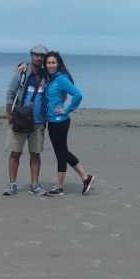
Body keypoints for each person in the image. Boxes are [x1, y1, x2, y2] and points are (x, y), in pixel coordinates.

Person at [42, 51, 95, 197]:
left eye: (53, 62)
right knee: (62, 152)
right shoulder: (51, 78)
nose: (50, 65)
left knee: (61, 153)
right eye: (48, 63)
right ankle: (85, 178)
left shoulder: (61, 79)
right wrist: (22, 65)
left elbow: (78, 95)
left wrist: (67, 110)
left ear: (58, 64)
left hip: (59, 122)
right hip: (52, 121)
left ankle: (60, 187)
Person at [3, 44, 49, 196]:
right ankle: (12, 185)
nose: (39, 58)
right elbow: (11, 93)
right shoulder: (22, 73)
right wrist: (9, 114)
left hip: (38, 123)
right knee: (15, 153)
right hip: (20, 120)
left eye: (42, 56)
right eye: (36, 55)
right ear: (31, 55)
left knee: (35, 154)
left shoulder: (47, 75)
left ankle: (34, 185)